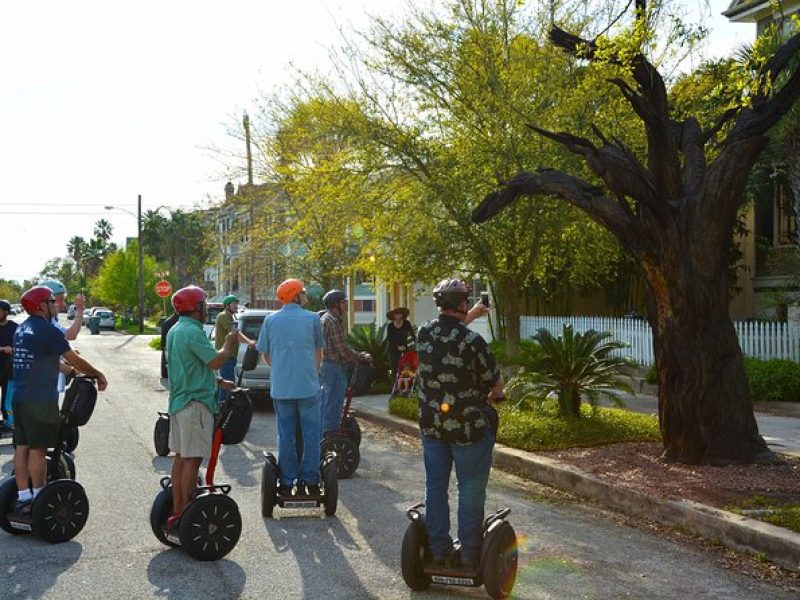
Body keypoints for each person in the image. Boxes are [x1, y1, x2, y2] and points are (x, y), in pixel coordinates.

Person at [416, 279, 504, 570]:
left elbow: (448, 334)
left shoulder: (423, 334)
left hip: (433, 427)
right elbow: (495, 381)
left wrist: (474, 315)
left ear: (440, 303)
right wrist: (497, 394)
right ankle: (469, 554)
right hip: (468, 431)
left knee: (435, 488)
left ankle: (438, 551)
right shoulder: (473, 342)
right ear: (463, 304)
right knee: (470, 489)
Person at [11, 286, 108, 518]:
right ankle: (40, 496)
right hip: (40, 401)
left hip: (21, 398)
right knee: (38, 449)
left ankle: (23, 496)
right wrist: (97, 374)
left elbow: (45, 360)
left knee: (22, 446)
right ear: (40, 306)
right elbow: (72, 356)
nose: (56, 305)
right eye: (52, 301)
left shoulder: (23, 329)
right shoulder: (46, 329)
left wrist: (70, 371)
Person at [164, 285, 239, 533]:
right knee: (192, 460)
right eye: (204, 304)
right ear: (195, 307)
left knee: (180, 457)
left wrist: (218, 381)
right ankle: (185, 513)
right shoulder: (193, 332)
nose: (206, 307)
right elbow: (215, 360)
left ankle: (177, 510)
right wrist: (229, 345)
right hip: (195, 404)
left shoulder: (176, 330)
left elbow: (189, 366)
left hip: (179, 402)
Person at [255, 279, 324, 496]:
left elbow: (265, 353)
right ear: (296, 295)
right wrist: (311, 372)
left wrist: (281, 369)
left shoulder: (270, 320)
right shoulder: (313, 318)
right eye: (303, 292)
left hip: (282, 388)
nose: (306, 296)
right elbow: (318, 352)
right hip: (308, 387)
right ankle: (310, 480)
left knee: (285, 435)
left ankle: (286, 481)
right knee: (311, 434)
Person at [319, 289, 371, 436]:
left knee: (326, 401)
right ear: (336, 304)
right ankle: (330, 435)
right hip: (333, 366)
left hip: (327, 365)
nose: (346, 304)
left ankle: (324, 432)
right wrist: (361, 356)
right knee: (334, 403)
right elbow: (342, 350)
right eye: (343, 302)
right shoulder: (332, 320)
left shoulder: (325, 318)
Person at [213, 295, 256, 402]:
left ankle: (222, 407)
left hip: (231, 357)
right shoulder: (223, 316)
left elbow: (236, 333)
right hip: (225, 357)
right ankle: (222, 408)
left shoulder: (232, 317)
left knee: (228, 384)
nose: (236, 306)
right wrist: (249, 342)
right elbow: (235, 334)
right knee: (227, 385)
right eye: (234, 304)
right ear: (227, 305)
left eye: (237, 304)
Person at [0, 300, 18, 432]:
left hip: (9, 370)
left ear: (6, 312)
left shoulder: (15, 327)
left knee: (7, 402)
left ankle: (9, 421)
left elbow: (23, 346)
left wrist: (12, 348)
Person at [385, 307, 415, 383]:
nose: (398, 316)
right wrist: (398, 347)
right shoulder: (390, 326)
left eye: (399, 314)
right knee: (395, 369)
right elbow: (390, 339)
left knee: (407, 369)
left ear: (402, 315)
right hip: (393, 350)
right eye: (396, 314)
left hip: (406, 349)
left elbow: (412, 336)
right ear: (393, 316)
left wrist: (412, 346)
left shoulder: (407, 323)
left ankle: (406, 387)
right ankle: (394, 387)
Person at [160, 311, 179, 380]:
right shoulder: (184, 323)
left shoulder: (167, 322)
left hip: (168, 347)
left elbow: (163, 341)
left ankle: (165, 373)